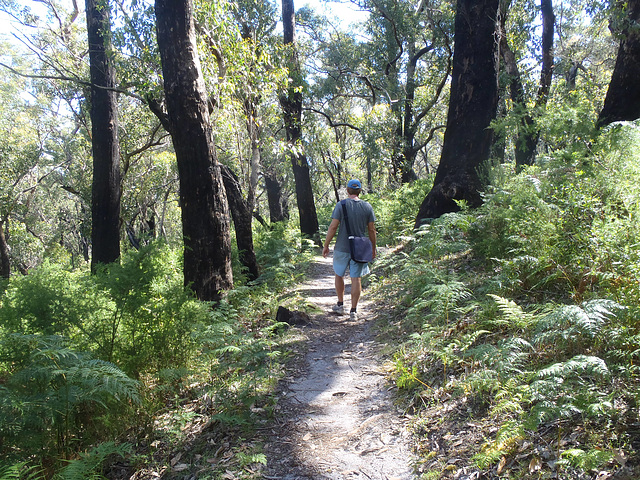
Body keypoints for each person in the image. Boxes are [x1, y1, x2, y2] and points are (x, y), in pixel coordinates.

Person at [322, 179, 376, 321]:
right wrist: (373, 248)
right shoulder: (367, 207)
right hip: (359, 248)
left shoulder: (341, 205)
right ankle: (353, 311)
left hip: (341, 247)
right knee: (356, 278)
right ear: (360, 191)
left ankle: (340, 305)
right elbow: (371, 229)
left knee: (339, 275)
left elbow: (333, 227)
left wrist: (326, 245)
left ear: (347, 190)